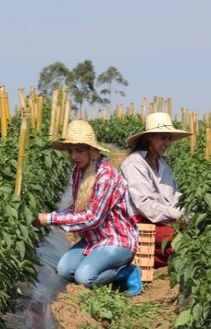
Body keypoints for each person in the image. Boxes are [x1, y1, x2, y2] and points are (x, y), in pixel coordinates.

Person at [34, 120, 142, 296]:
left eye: (79, 150)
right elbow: (77, 209)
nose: (74, 156)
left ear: (91, 150)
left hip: (117, 240)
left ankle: (126, 272)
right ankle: (103, 267)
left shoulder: (106, 175)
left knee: (84, 277)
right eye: (70, 151)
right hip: (94, 240)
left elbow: (93, 217)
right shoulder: (79, 172)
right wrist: (52, 216)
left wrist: (50, 219)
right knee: (64, 270)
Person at [120, 112, 191, 268]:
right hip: (140, 222)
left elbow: (175, 195)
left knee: (193, 237)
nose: (167, 143)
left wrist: (186, 211)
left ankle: (142, 256)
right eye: (163, 138)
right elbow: (144, 204)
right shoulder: (135, 164)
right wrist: (177, 215)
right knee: (184, 244)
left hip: (161, 220)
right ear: (149, 137)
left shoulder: (163, 165)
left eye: (169, 138)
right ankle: (132, 256)